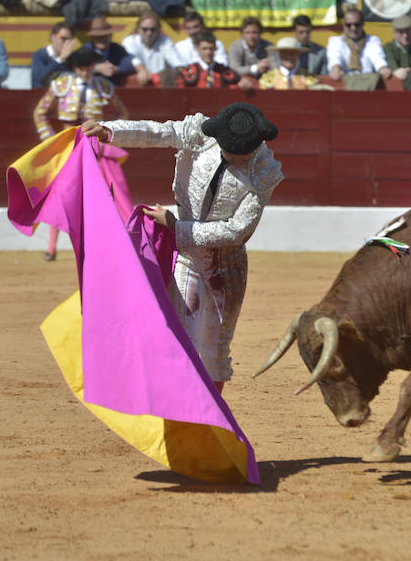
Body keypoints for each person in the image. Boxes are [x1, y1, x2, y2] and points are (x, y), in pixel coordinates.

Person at [80, 103, 284, 394]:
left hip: (227, 268)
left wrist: (177, 228)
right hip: (187, 259)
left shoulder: (265, 170)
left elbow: (237, 231)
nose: (234, 157)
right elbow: (158, 133)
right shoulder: (201, 135)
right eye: (228, 150)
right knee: (180, 340)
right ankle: (181, 417)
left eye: (242, 153)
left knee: (215, 352)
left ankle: (209, 420)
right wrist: (111, 130)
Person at [33, 46, 130, 261]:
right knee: (60, 196)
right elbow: (40, 113)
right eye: (81, 68)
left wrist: (108, 133)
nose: (85, 72)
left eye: (88, 67)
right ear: (75, 68)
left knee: (102, 196)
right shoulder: (61, 85)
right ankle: (51, 248)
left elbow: (123, 113)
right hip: (69, 146)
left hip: (95, 147)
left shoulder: (104, 87)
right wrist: (51, 140)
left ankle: (104, 245)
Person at [326, 4, 390, 90]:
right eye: (349, 25)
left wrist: (383, 68)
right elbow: (334, 59)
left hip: (368, 85)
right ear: (343, 26)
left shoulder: (372, 41)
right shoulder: (335, 41)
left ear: (363, 24)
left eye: (357, 24)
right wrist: (335, 69)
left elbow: (378, 58)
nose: (353, 28)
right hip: (344, 85)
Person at [170, 31, 252, 90]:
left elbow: (235, 87)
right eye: (204, 49)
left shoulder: (224, 71)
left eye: (211, 48)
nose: (208, 52)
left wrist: (242, 84)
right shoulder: (187, 72)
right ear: (197, 48)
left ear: (215, 48)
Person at [122, 10, 185, 85]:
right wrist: (142, 70)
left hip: (161, 85)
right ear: (138, 29)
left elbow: (175, 61)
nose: (149, 33)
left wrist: (184, 72)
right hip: (138, 85)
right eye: (145, 29)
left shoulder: (165, 41)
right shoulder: (130, 41)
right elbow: (132, 58)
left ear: (159, 30)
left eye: (153, 30)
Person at [83, 16, 137, 86]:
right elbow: (76, 67)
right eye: (98, 37)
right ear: (92, 38)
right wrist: (96, 68)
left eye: (105, 36)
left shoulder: (117, 48)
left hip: (113, 90)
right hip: (91, 89)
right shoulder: (86, 50)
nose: (102, 39)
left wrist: (115, 69)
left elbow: (129, 64)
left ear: (110, 36)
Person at [31, 22, 77, 88]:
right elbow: (39, 78)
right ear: (53, 37)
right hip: (44, 95)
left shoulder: (71, 57)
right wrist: (60, 59)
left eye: (69, 39)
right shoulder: (39, 55)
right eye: (63, 38)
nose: (66, 43)